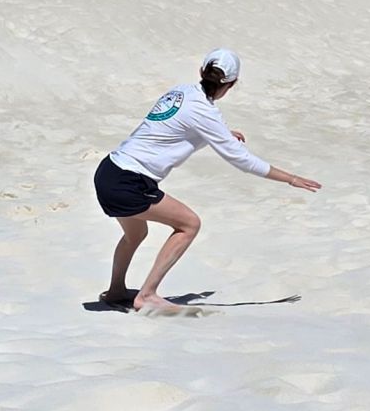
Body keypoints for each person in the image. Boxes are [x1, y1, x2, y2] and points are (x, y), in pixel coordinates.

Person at [93, 49, 321, 314]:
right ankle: (147, 295)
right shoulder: (206, 113)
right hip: (129, 182)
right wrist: (291, 178)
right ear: (231, 84)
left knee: (136, 234)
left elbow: (177, 126)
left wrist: (221, 133)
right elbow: (242, 160)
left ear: (201, 71)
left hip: (109, 171)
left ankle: (116, 292)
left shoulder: (180, 92)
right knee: (189, 224)